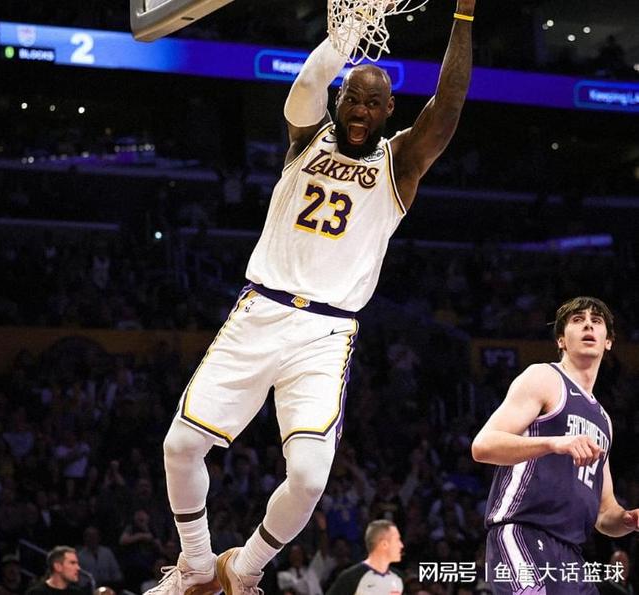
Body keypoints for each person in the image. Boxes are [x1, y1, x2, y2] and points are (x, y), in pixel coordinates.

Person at [151, 2, 475, 595]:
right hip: (261, 309)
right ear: (338, 99)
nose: (360, 111)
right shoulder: (306, 136)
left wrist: (464, 16)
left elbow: (448, 106)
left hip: (326, 333)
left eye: (373, 103)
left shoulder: (401, 162)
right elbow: (304, 85)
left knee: (308, 477)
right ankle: (195, 566)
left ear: (389, 110)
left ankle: (243, 570)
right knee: (180, 445)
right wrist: (344, 37)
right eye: (352, 98)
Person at [471, 296, 639, 594]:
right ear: (561, 340)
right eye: (578, 320)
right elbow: (483, 446)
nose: (588, 325)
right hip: (522, 533)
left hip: (571, 554)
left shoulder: (603, 420)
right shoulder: (544, 377)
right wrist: (554, 442)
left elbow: (604, 514)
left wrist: (627, 519)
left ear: (609, 342)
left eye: (596, 321)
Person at [325, 520, 403, 595]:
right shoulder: (352, 577)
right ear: (384, 544)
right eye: (397, 540)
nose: (401, 545)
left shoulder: (398, 577)